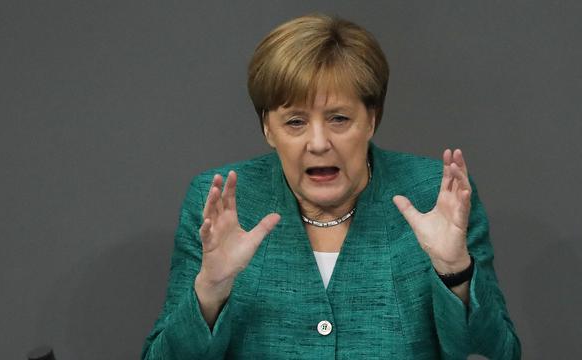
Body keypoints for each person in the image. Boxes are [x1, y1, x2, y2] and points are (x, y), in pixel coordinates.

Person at [141, 14, 520, 359]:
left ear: (371, 119)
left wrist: (454, 271)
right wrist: (211, 289)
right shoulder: (222, 201)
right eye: (295, 122)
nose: (319, 142)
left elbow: (498, 352)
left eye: (339, 118)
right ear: (267, 127)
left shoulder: (435, 195)